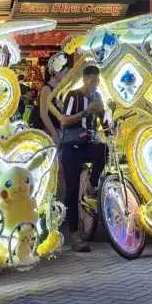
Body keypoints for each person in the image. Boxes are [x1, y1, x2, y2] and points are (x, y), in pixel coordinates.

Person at [57, 64, 107, 253]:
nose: (95, 85)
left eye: (97, 81)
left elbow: (102, 122)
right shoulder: (73, 96)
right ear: (85, 80)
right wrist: (86, 112)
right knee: (71, 191)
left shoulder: (97, 97)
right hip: (72, 145)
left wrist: (105, 111)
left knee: (103, 149)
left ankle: (92, 185)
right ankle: (75, 235)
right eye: (92, 81)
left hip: (89, 141)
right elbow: (64, 121)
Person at [40, 53, 72, 142]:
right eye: (65, 72)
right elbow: (44, 115)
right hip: (47, 132)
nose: (67, 76)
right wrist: (54, 133)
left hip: (56, 131)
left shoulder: (60, 90)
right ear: (57, 72)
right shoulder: (46, 89)